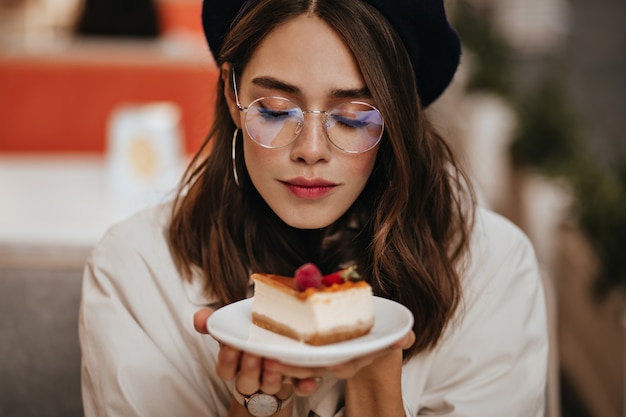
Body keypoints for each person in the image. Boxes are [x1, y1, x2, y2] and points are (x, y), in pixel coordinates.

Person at [79, 0, 549, 416]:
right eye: (278, 110)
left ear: (398, 117)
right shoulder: (136, 270)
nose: (310, 150)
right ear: (232, 93)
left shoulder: (492, 268)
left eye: (352, 117)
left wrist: (376, 385)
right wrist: (257, 408)